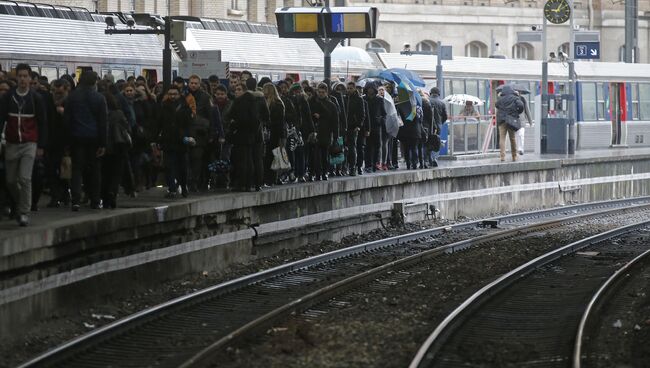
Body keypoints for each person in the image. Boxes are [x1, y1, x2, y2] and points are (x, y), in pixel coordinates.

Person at [0, 64, 47, 226]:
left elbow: (42, 122)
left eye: (25, 76)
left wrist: (41, 145)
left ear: (30, 78)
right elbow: (1, 119)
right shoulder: (8, 98)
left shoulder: (36, 99)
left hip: (29, 142)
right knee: (11, 181)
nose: (22, 79)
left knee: (25, 178)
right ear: (16, 77)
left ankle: (24, 212)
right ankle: (21, 204)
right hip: (12, 142)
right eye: (19, 76)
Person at [64, 70, 107, 211]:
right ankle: (95, 200)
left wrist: (67, 141)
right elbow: (103, 122)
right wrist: (103, 143)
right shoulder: (99, 98)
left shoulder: (72, 97)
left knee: (77, 169)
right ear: (94, 82)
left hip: (76, 137)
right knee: (95, 170)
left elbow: (67, 120)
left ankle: (75, 200)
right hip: (94, 138)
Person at [228, 78, 269, 191]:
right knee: (255, 160)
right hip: (255, 134)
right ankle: (255, 183)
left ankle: (244, 183)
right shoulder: (259, 99)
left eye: (239, 89)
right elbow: (264, 117)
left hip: (243, 134)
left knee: (243, 160)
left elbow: (234, 117)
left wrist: (234, 125)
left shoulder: (241, 102)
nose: (236, 91)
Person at [156, 86, 193, 198]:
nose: (172, 96)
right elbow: (159, 123)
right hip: (168, 141)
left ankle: (183, 186)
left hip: (181, 141)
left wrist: (187, 136)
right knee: (169, 166)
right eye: (170, 94)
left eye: (175, 94)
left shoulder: (185, 107)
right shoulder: (164, 106)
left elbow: (189, 123)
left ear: (179, 94)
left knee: (182, 167)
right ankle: (172, 188)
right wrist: (157, 138)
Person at [309, 83, 339, 181]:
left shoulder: (331, 105)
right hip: (316, 132)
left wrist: (335, 136)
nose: (321, 94)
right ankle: (317, 173)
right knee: (316, 155)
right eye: (319, 92)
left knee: (325, 155)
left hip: (326, 132)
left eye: (323, 92)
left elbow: (335, 121)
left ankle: (324, 172)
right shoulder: (313, 103)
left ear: (326, 92)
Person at [262, 82, 287, 186]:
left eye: (265, 90)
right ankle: (270, 178)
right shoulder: (268, 102)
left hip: (275, 134)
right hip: (271, 134)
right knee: (270, 157)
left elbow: (279, 121)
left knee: (273, 156)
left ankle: (272, 178)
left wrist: (268, 124)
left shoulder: (277, 104)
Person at [495, 85, 524, 162]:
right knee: (512, 138)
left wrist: (499, 97)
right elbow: (521, 105)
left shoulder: (500, 99)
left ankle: (502, 157)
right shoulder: (515, 98)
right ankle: (514, 156)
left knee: (502, 138)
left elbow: (496, 105)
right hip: (511, 120)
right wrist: (518, 112)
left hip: (502, 121)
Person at [344, 81, 365, 176]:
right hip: (344, 126)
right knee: (344, 147)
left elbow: (362, 114)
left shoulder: (359, 99)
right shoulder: (344, 98)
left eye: (351, 88)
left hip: (353, 127)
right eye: (347, 88)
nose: (349, 90)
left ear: (355, 89)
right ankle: (344, 167)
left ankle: (353, 167)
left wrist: (358, 126)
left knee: (352, 147)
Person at [429, 87, 448, 167]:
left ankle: (429, 158)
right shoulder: (442, 103)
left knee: (428, 141)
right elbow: (445, 116)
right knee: (436, 141)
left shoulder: (428, 101)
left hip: (428, 125)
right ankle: (434, 158)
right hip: (438, 125)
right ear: (438, 94)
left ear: (430, 93)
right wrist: (440, 122)